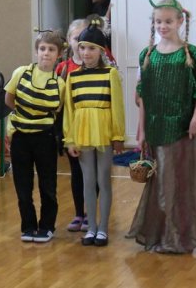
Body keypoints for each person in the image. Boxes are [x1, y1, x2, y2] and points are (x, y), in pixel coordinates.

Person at [127, 0, 196, 253]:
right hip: (157, 129)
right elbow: (143, 97)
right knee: (163, 183)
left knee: (180, 182)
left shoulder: (191, 54)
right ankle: (164, 234)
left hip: (184, 129)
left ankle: (178, 236)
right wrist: (141, 130)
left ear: (180, 21)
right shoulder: (148, 55)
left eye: (168, 21)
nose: (163, 26)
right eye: (158, 21)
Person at [63, 19, 125, 247]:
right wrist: (70, 139)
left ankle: (103, 228)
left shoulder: (110, 74)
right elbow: (69, 111)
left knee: (103, 180)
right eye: (82, 47)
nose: (86, 53)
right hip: (82, 133)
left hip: (104, 132)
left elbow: (117, 107)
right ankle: (91, 229)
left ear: (101, 51)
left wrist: (118, 136)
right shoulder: (73, 77)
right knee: (87, 180)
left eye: (92, 48)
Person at [4, 30, 66, 243]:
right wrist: (23, 118)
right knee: (23, 185)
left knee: (48, 185)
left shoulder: (59, 84)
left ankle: (47, 226)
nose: (46, 53)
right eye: (42, 49)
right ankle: (28, 225)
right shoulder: (21, 72)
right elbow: (9, 99)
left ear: (58, 54)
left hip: (45, 138)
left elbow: (57, 111)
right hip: (21, 137)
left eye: (51, 50)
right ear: (36, 51)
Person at [55, 19, 89, 232]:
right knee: (76, 171)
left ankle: (91, 212)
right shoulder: (62, 68)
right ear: (69, 40)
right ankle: (79, 213)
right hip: (71, 128)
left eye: (84, 38)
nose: (81, 43)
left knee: (92, 172)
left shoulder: (98, 66)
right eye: (77, 38)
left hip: (92, 126)